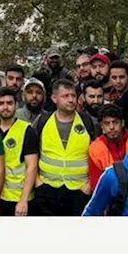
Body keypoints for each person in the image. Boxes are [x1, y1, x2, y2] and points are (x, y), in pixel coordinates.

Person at [30, 80, 96, 216]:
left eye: (73, 95)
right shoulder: (42, 121)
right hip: (47, 188)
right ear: (54, 98)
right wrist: (38, 183)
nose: (71, 100)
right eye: (65, 96)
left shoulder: (88, 122)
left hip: (79, 190)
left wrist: (89, 185)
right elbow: (32, 153)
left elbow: (97, 155)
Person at [0, 87, 39, 216]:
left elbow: (32, 167)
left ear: (16, 105)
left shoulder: (27, 130)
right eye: (1, 103)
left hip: (18, 198)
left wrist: (23, 200)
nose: (5, 107)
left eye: (9, 103)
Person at [88, 104, 128, 192]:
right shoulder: (95, 148)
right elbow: (96, 185)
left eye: (115, 122)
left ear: (122, 123)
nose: (111, 127)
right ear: (102, 126)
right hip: (110, 197)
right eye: (107, 123)